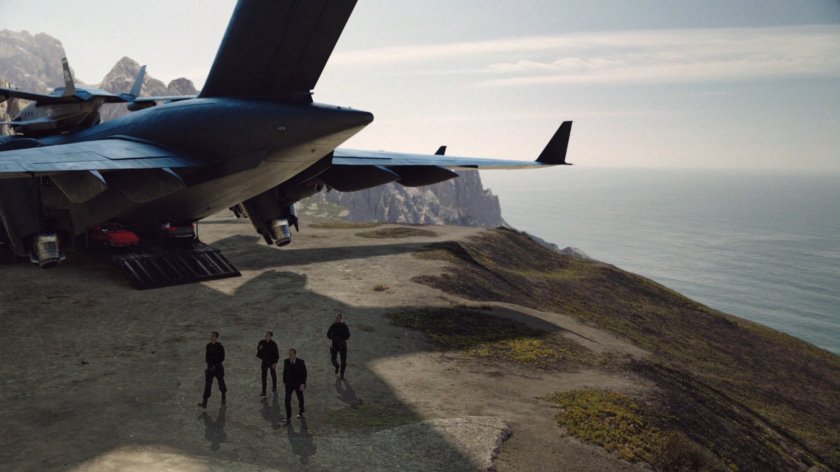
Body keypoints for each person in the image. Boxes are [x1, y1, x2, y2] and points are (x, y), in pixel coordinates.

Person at [199, 331, 227, 408]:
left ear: (216, 338)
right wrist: (209, 365)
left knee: (221, 383)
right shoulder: (208, 346)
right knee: (207, 385)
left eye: (213, 336)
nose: (211, 337)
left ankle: (223, 396)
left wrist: (214, 364)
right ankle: (204, 402)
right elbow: (206, 357)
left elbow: (222, 358)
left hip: (218, 368)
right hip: (210, 368)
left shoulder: (220, 347)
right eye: (211, 336)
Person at [282, 348, 307, 423]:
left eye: (291, 354)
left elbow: (304, 373)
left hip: (298, 384)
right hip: (289, 384)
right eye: (289, 354)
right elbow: (284, 372)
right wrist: (284, 381)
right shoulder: (286, 361)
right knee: (287, 399)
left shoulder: (301, 362)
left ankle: (301, 410)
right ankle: (288, 416)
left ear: (295, 354)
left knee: (300, 398)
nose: (290, 356)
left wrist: (303, 383)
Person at [327, 313, 350, 378]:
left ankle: (342, 374)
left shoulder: (344, 326)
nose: (337, 319)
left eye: (338, 318)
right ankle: (337, 366)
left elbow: (348, 335)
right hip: (335, 345)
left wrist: (341, 339)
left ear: (341, 319)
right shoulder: (333, 326)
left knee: (343, 361)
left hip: (342, 345)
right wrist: (334, 338)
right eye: (336, 318)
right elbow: (328, 335)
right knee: (333, 359)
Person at [256, 331, 280, 396]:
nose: (266, 336)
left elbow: (277, 355)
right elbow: (258, 348)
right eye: (266, 335)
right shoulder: (262, 342)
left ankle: (274, 387)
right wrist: (259, 348)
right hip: (264, 361)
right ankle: (264, 391)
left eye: (267, 335)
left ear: (270, 337)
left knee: (273, 374)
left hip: (271, 362)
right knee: (263, 376)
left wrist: (274, 363)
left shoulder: (274, 344)